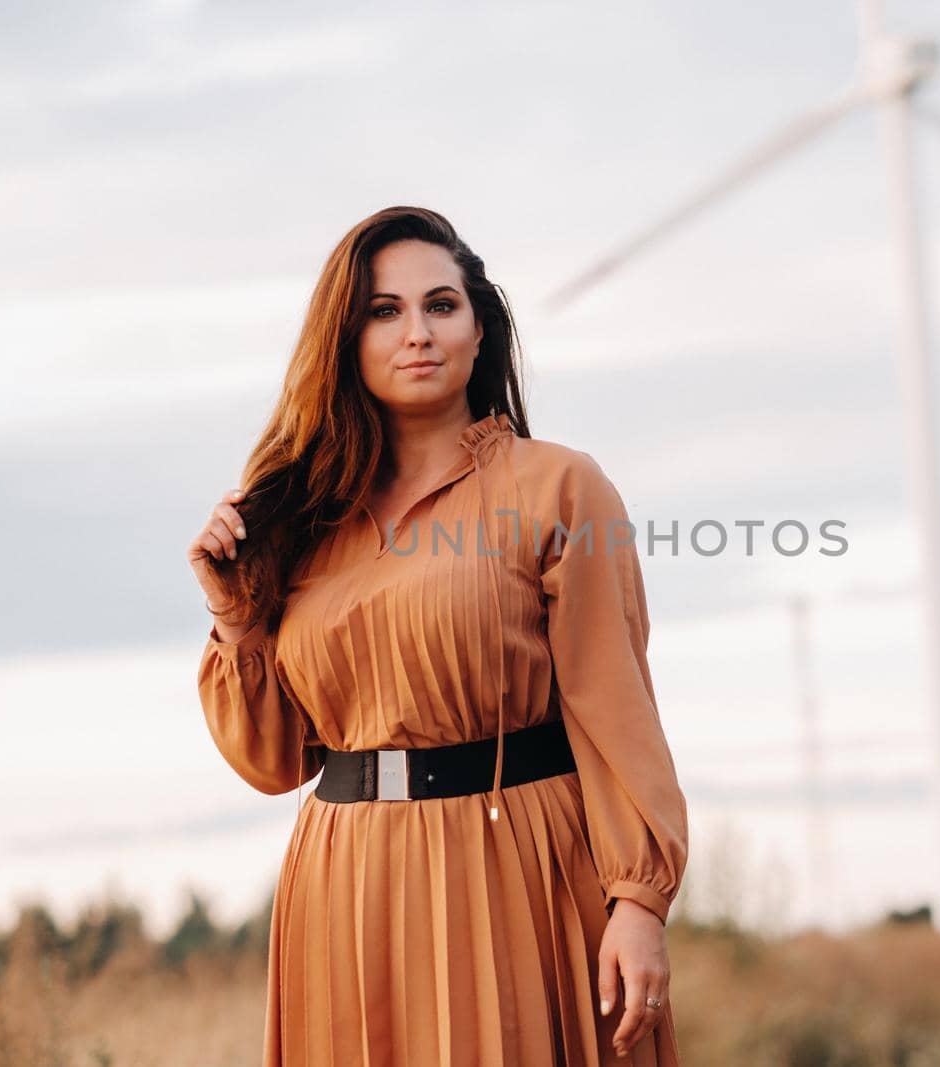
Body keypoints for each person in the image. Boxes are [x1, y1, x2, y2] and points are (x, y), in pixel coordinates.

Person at [186, 205, 688, 1065]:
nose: (416, 332)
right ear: (344, 339)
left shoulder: (559, 486)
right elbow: (272, 763)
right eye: (384, 311)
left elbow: (614, 707)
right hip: (348, 887)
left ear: (481, 328)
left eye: (441, 305)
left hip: (516, 866)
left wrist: (637, 900)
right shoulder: (297, 514)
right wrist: (236, 619)